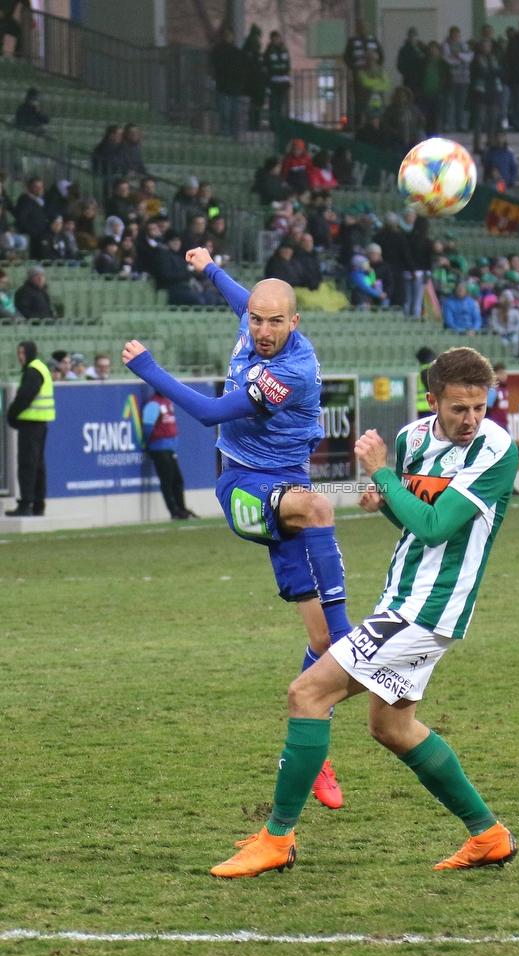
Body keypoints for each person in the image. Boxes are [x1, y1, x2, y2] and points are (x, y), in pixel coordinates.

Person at [209, 347, 519, 879]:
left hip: (427, 609)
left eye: (479, 408)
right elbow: (412, 520)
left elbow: (437, 527)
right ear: (433, 400)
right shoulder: (412, 440)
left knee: (307, 692)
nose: (471, 420)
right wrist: (388, 501)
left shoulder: (495, 449)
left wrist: (384, 479)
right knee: (393, 728)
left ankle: (276, 838)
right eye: (459, 409)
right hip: (403, 600)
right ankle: (488, 835)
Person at [123, 251, 358, 809]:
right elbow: (241, 298)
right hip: (245, 490)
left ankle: (316, 732)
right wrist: (211, 269)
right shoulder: (253, 325)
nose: (262, 329)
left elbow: (208, 413)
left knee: (321, 645)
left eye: (276, 321)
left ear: (295, 323)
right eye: (256, 319)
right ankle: (354, 638)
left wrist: (151, 369)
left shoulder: (289, 372)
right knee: (321, 510)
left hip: (283, 488)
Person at [6, 341, 55, 517]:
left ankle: (26, 503)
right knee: (38, 466)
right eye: (18, 353)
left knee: (27, 465)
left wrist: (11, 415)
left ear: (30, 353)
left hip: (30, 424)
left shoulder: (33, 371)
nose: (20, 356)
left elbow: (24, 397)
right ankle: (38, 504)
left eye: (22, 353)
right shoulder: (40, 368)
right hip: (40, 424)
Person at [142, 391, 198, 520]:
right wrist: (148, 444)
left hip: (170, 448)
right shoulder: (153, 405)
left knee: (177, 480)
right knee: (167, 480)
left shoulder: (167, 402)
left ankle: (182, 509)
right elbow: (147, 427)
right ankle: (175, 512)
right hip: (159, 447)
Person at [344, 19, 384, 127]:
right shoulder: (352, 41)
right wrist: (356, 66)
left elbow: (381, 56)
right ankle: (359, 124)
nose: (362, 29)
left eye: (364, 26)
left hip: (373, 75)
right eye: (360, 27)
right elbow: (347, 58)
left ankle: (375, 122)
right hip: (359, 75)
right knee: (360, 100)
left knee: (375, 98)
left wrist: (375, 65)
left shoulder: (374, 40)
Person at [469, 38, 503, 155]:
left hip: (493, 94)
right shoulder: (476, 59)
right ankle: (477, 145)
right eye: (484, 45)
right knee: (479, 120)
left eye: (488, 45)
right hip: (481, 95)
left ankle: (491, 143)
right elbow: (479, 73)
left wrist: (489, 73)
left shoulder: (494, 59)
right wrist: (490, 73)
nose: (486, 48)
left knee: (492, 121)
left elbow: (498, 72)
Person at [212, 26, 246, 138]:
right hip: (225, 88)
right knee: (225, 115)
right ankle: (226, 136)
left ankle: (233, 137)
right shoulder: (219, 51)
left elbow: (241, 69)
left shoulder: (236, 52)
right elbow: (220, 68)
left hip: (234, 89)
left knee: (234, 116)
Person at [443, 26, 473, 132]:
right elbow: (448, 59)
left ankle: (461, 124)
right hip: (452, 78)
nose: (455, 36)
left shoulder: (465, 45)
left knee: (462, 103)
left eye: (457, 34)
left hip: (464, 79)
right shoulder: (446, 45)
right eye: (453, 34)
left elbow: (469, 57)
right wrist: (461, 58)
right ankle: (450, 125)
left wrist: (457, 55)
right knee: (450, 102)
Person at [381, 86, 425, 153]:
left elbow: (421, 120)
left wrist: (417, 131)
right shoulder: (391, 109)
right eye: (399, 95)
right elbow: (385, 123)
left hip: (413, 139)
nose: (401, 97)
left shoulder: (413, 108)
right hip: (397, 140)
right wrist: (394, 132)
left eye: (403, 95)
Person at [419, 41, 449, 136]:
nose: (433, 51)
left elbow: (448, 79)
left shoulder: (443, 64)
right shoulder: (422, 63)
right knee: (424, 119)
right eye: (431, 48)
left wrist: (444, 92)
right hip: (424, 95)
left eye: (435, 48)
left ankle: (435, 138)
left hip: (438, 95)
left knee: (436, 120)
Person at [14, 176, 49, 258]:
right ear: (29, 188)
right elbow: (21, 220)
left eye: (41, 186)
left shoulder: (40, 201)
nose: (40, 189)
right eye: (36, 187)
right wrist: (34, 233)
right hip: (34, 237)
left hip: (41, 234)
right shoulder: (25, 201)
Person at [242, 24, 266, 131]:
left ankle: (255, 124)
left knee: (256, 104)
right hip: (254, 81)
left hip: (257, 81)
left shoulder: (252, 49)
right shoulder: (251, 49)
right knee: (255, 105)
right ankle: (254, 124)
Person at [264, 30, 291, 120]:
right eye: (274, 39)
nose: (277, 41)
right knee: (274, 105)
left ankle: (282, 125)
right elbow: (268, 67)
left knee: (282, 106)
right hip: (274, 83)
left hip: (283, 83)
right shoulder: (269, 52)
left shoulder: (284, 50)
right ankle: (274, 125)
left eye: (278, 39)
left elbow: (287, 65)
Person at [357, 49, 390, 119]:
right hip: (366, 104)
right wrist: (379, 81)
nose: (371, 61)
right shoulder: (361, 71)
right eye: (368, 59)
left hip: (380, 104)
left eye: (373, 59)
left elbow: (386, 85)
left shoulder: (381, 71)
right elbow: (365, 83)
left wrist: (373, 86)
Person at [397, 27, 426, 97]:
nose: (412, 37)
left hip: (421, 79)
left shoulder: (423, 48)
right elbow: (400, 65)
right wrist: (408, 72)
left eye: (414, 35)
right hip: (409, 79)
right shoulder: (404, 50)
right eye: (410, 35)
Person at [415, 345, 436, 418]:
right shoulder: (427, 371)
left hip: (423, 408)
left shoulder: (422, 370)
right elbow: (433, 388)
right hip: (428, 408)